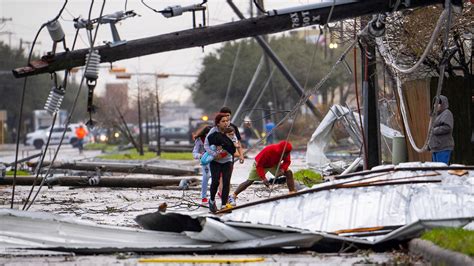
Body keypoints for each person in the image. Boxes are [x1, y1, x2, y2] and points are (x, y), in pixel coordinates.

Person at [229, 140, 297, 206]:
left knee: (289, 172)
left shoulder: (286, 151)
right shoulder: (269, 151)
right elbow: (259, 166)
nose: (287, 155)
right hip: (260, 165)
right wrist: (263, 178)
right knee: (249, 181)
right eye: (286, 154)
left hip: (274, 164)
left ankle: (292, 192)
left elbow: (287, 161)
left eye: (288, 153)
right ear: (281, 151)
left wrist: (282, 169)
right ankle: (233, 195)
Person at [205, 113, 236, 213]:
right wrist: (214, 154)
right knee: (216, 181)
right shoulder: (213, 132)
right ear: (218, 123)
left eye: (227, 121)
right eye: (223, 121)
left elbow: (234, 141)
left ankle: (223, 205)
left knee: (226, 182)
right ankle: (212, 200)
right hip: (215, 161)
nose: (226, 123)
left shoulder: (230, 130)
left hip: (227, 160)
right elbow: (206, 145)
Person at [428, 95, 454, 164]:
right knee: (436, 170)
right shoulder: (434, 115)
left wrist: (434, 131)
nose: (435, 105)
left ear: (443, 104)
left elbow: (447, 127)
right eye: (434, 103)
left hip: (443, 147)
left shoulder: (446, 113)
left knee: (441, 169)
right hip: (435, 147)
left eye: (438, 103)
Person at [192, 125, 213, 204]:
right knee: (206, 176)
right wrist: (200, 156)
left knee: (216, 178)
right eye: (207, 134)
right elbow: (194, 153)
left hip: (215, 161)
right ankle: (204, 196)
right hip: (205, 162)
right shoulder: (199, 140)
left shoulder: (215, 139)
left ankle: (213, 196)